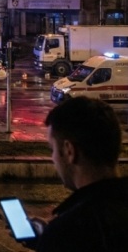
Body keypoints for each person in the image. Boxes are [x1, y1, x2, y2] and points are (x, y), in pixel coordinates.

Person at [26, 97, 128, 251]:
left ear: (69, 151)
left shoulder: (69, 232)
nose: (52, 158)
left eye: (52, 149)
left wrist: (52, 237)